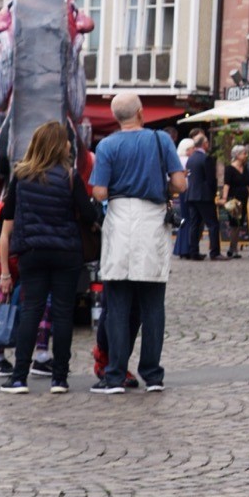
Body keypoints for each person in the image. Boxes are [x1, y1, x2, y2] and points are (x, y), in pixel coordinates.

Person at [90, 91, 187, 395]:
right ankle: (153, 374)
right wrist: (163, 186)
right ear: (142, 113)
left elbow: (100, 192)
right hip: (151, 218)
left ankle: (115, 374)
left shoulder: (106, 145)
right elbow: (180, 183)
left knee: (118, 303)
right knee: (152, 304)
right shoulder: (160, 140)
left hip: (120, 219)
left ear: (116, 118)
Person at [0, 120, 99, 395]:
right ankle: (60, 379)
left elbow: (9, 214)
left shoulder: (21, 175)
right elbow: (89, 215)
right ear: (59, 145)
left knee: (31, 311)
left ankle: (18, 377)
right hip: (66, 252)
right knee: (63, 314)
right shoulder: (69, 176)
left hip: (32, 251)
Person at [183, 131, 221, 261]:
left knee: (195, 224)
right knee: (213, 224)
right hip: (204, 196)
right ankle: (215, 252)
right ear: (204, 144)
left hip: (192, 194)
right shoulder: (206, 158)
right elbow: (211, 179)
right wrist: (214, 193)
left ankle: (193, 251)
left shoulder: (191, 158)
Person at [222, 146, 249, 258]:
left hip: (243, 199)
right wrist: (224, 198)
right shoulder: (229, 169)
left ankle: (233, 248)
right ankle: (233, 249)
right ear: (237, 155)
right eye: (244, 153)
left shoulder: (245, 167)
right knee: (234, 224)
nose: (246, 155)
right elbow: (226, 184)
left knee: (240, 224)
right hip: (233, 199)